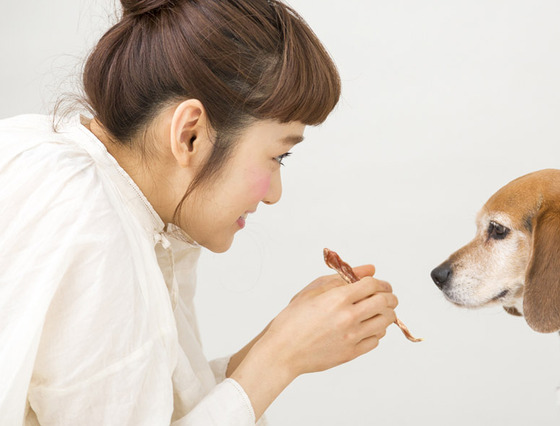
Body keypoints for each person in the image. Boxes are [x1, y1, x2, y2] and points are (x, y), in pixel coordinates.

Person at [0, 0, 400, 424]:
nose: (274, 194)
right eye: (278, 157)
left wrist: (280, 340)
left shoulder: (55, 156)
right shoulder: (93, 226)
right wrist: (280, 359)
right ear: (190, 134)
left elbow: (146, 405)